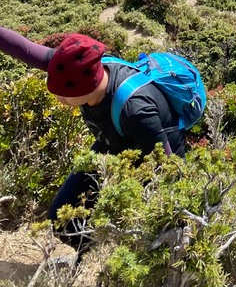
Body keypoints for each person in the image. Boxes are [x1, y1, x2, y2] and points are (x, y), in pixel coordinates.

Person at [0, 26, 186, 255]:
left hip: (153, 155)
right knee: (63, 218)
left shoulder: (136, 111)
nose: (59, 99)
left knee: (144, 226)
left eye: (63, 94)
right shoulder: (73, 66)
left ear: (87, 87)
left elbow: (168, 170)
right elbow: (24, 49)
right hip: (113, 141)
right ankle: (90, 257)